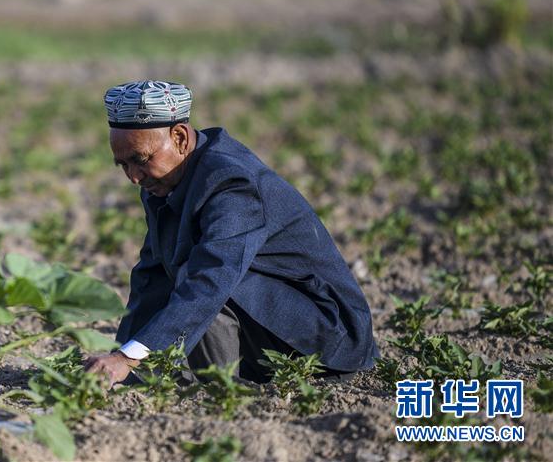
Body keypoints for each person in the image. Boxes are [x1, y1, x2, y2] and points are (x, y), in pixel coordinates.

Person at [85, 80, 379, 387]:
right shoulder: (161, 183)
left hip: (327, 337)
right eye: (123, 165)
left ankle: (222, 391)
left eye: (141, 159)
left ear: (181, 138)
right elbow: (152, 276)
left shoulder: (231, 182)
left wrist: (129, 359)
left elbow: (212, 279)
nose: (133, 177)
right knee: (176, 272)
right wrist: (120, 361)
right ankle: (209, 380)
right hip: (270, 321)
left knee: (202, 277)